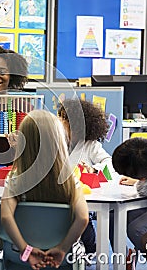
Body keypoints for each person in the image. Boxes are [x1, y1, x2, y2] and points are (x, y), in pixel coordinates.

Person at [1, 110, 89, 269]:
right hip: (62, 259)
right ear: (59, 141)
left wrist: (26, 250)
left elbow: (6, 217)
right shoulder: (70, 181)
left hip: (19, 257)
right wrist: (62, 249)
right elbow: (83, 218)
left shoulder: (15, 180)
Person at [57, 98, 117, 254]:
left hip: (83, 197)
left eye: (63, 118)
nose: (58, 121)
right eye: (59, 116)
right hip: (61, 196)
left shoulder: (91, 145)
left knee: (82, 217)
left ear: (77, 124)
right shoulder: (56, 143)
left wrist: (93, 169)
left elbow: (110, 164)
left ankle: (90, 249)